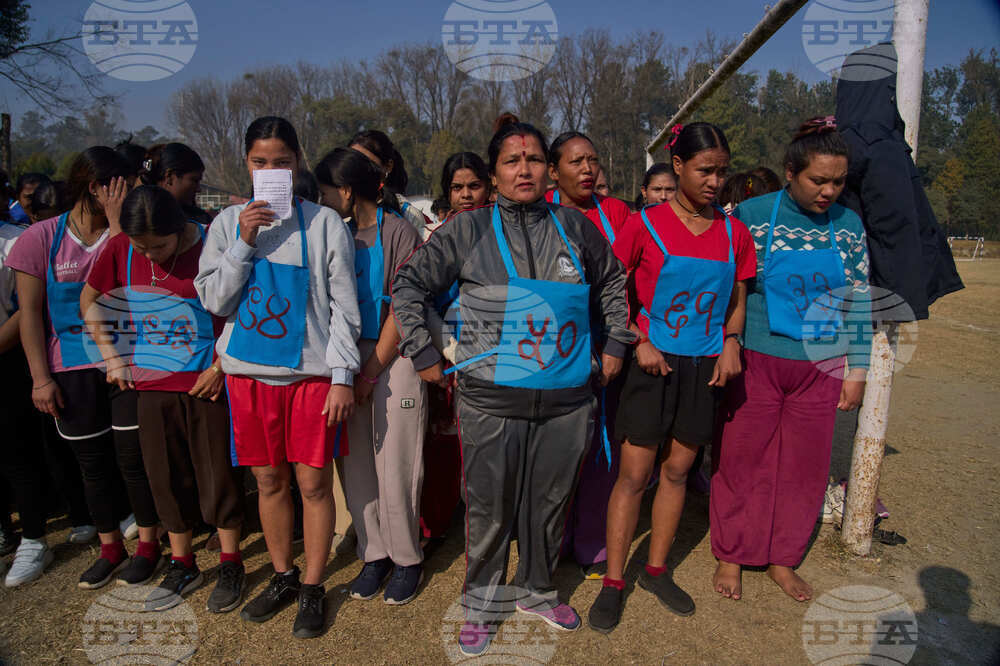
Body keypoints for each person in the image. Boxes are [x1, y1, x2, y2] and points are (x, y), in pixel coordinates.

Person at [392, 120, 634, 656]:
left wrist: (616, 340)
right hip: (489, 398)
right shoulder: (466, 230)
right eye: (511, 161)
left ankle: (539, 591)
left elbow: (613, 282)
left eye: (533, 160)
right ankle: (481, 602)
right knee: (490, 506)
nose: (524, 170)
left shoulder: (576, 226)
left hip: (568, 398)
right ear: (494, 173)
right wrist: (425, 349)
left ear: (548, 169)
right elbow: (409, 286)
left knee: (550, 502)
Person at [195, 116, 360, 639]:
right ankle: (283, 576)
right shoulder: (225, 224)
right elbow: (215, 301)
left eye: (282, 163)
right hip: (248, 378)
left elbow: (344, 310)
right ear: (246, 164)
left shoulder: (324, 223)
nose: (271, 171)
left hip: (310, 379)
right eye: (260, 163)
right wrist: (244, 241)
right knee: (268, 481)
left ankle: (312, 585)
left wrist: (341, 376)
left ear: (298, 163)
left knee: (312, 484)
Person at [588, 123, 756, 633]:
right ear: (677, 166)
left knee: (679, 471)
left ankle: (657, 570)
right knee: (635, 475)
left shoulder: (735, 232)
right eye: (706, 170)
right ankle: (615, 579)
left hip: (704, 369)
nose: (715, 181)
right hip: (650, 366)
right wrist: (639, 340)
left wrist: (731, 342)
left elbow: (738, 298)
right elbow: (613, 293)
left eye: (722, 171)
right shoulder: (645, 224)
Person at [710, 117, 872, 602]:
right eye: (817, 180)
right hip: (757, 359)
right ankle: (732, 553)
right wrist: (729, 343)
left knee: (803, 468)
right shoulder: (753, 215)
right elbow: (731, 286)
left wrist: (856, 370)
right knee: (742, 458)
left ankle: (783, 558)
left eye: (838, 181)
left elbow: (860, 299)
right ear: (791, 172)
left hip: (821, 369)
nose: (828, 191)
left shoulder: (848, 226)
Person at [81, 185, 245, 611]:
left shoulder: (212, 242)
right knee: (164, 476)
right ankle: (182, 561)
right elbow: (90, 301)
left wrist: (219, 367)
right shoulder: (119, 248)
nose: (150, 256)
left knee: (216, 476)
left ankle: (231, 561)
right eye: (142, 247)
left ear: (180, 230)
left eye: (160, 246)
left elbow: (242, 309)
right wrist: (112, 357)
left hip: (205, 382)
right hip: (150, 385)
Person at [8, 147, 160, 590]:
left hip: (126, 362)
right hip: (69, 368)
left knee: (134, 462)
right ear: (95, 188)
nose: (131, 193)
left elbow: (136, 288)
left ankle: (148, 546)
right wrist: (40, 378)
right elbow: (30, 316)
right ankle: (111, 547)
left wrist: (116, 229)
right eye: (122, 186)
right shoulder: (39, 238)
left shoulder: (127, 234)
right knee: (92, 466)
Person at [315, 147, 426, 605]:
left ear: (345, 191)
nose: (321, 201)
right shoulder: (332, 234)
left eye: (325, 192)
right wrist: (348, 370)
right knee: (356, 461)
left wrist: (372, 369)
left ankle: (406, 558)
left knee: (396, 459)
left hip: (393, 354)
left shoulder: (398, 232)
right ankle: (373, 552)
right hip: (345, 357)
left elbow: (405, 304)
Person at [545, 130, 632, 578]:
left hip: (607, 349)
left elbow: (629, 281)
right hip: (554, 351)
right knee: (558, 450)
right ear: (554, 170)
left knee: (602, 451)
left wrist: (617, 341)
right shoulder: (538, 213)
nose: (587, 169)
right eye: (576, 162)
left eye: (593, 160)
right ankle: (551, 538)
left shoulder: (617, 213)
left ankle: (591, 538)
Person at [418, 151, 493, 546]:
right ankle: (440, 522)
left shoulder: (504, 233)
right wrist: (446, 349)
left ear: (489, 186)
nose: (466, 195)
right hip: (448, 355)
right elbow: (423, 298)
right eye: (457, 188)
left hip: (495, 355)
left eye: (474, 186)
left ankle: (489, 524)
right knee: (445, 442)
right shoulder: (434, 238)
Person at [0, 192, 54, 586]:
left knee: (15, 454)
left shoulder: (13, 241)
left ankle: (34, 538)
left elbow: (28, 307)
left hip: (6, 359)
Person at [348, 130, 431, 236]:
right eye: (353, 163)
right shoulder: (341, 211)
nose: (359, 171)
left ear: (388, 166)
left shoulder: (408, 216)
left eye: (367, 163)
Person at [139, 143, 212, 227]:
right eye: (194, 180)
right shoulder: (139, 220)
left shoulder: (200, 219)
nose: (198, 189)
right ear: (169, 176)